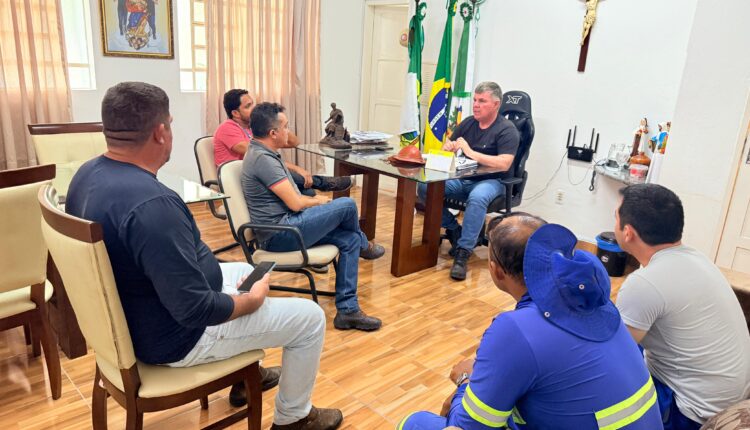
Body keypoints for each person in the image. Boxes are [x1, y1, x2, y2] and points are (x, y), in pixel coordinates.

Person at [66, 82, 342, 430]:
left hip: (135, 314)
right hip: (176, 337)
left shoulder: (86, 175)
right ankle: (293, 419)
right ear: (160, 132)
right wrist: (251, 301)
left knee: (242, 270)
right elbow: (195, 310)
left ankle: (244, 377)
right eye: (170, 124)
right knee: (309, 319)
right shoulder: (153, 205)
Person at [399, 214, 662, 429]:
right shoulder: (597, 301)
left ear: (495, 270)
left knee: (416, 423)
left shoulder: (516, 329)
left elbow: (469, 426)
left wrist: (466, 381)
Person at [614, 184, 750, 429]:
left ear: (628, 232)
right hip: (729, 395)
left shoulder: (643, 284)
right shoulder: (696, 257)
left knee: (602, 378)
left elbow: (614, 354)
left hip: (691, 412)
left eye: (615, 217)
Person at [241, 102, 385, 332]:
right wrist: (320, 201)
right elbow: (296, 203)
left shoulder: (263, 152)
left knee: (349, 240)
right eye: (286, 127)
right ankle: (364, 244)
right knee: (347, 204)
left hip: (288, 226)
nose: (288, 131)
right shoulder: (263, 160)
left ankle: (347, 311)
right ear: (273, 133)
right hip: (280, 233)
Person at [418, 81, 520, 281]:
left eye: (482, 101)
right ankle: (454, 229)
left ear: (496, 104)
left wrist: (470, 152)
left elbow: (504, 163)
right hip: (463, 177)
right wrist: (448, 147)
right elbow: (450, 145)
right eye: (475, 100)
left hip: (493, 181)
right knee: (426, 187)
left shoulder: (507, 130)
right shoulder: (468, 123)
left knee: (478, 197)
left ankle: (463, 253)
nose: (476, 105)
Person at [215, 89, 351, 197]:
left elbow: (295, 142)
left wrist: (278, 122)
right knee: (304, 189)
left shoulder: (254, 127)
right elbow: (261, 157)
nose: (254, 108)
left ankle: (320, 192)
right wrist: (296, 168)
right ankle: (323, 182)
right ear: (235, 113)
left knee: (309, 192)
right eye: (248, 106)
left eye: (253, 103)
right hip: (243, 177)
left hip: (262, 173)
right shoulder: (227, 128)